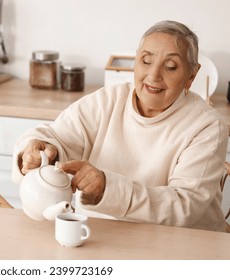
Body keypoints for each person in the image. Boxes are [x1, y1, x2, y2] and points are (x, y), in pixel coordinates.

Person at [12, 20, 230, 232]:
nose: (153, 75)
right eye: (146, 61)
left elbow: (184, 205)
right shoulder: (108, 100)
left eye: (170, 66)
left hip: (185, 247)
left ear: (191, 75)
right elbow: (55, 136)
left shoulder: (207, 126)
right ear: (135, 62)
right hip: (102, 235)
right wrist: (40, 150)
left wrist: (107, 187)